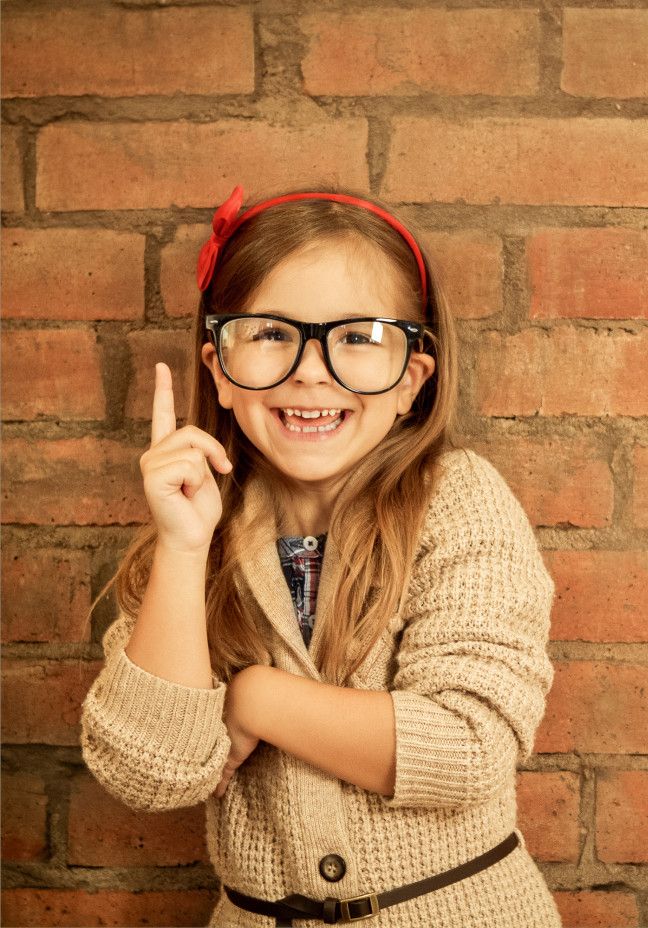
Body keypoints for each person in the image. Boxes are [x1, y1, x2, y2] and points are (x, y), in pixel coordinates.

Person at [80, 185, 562, 928]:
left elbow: (468, 749)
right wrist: (182, 545)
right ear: (219, 369)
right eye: (272, 332)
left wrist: (255, 698)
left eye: (359, 336)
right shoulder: (190, 531)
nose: (312, 370)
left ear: (411, 380)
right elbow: (150, 773)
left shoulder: (459, 501)